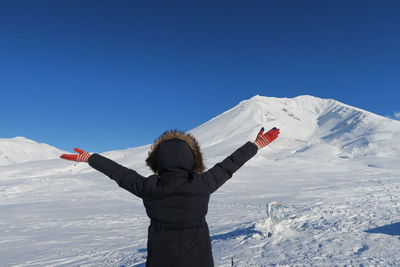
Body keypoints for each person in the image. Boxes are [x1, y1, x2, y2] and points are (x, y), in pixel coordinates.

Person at [60, 127, 280, 267]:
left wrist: (91, 158)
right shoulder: (202, 184)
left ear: (157, 161)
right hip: (199, 261)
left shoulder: (149, 186)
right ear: (193, 160)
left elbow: (119, 173)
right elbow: (229, 165)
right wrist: (255, 145)